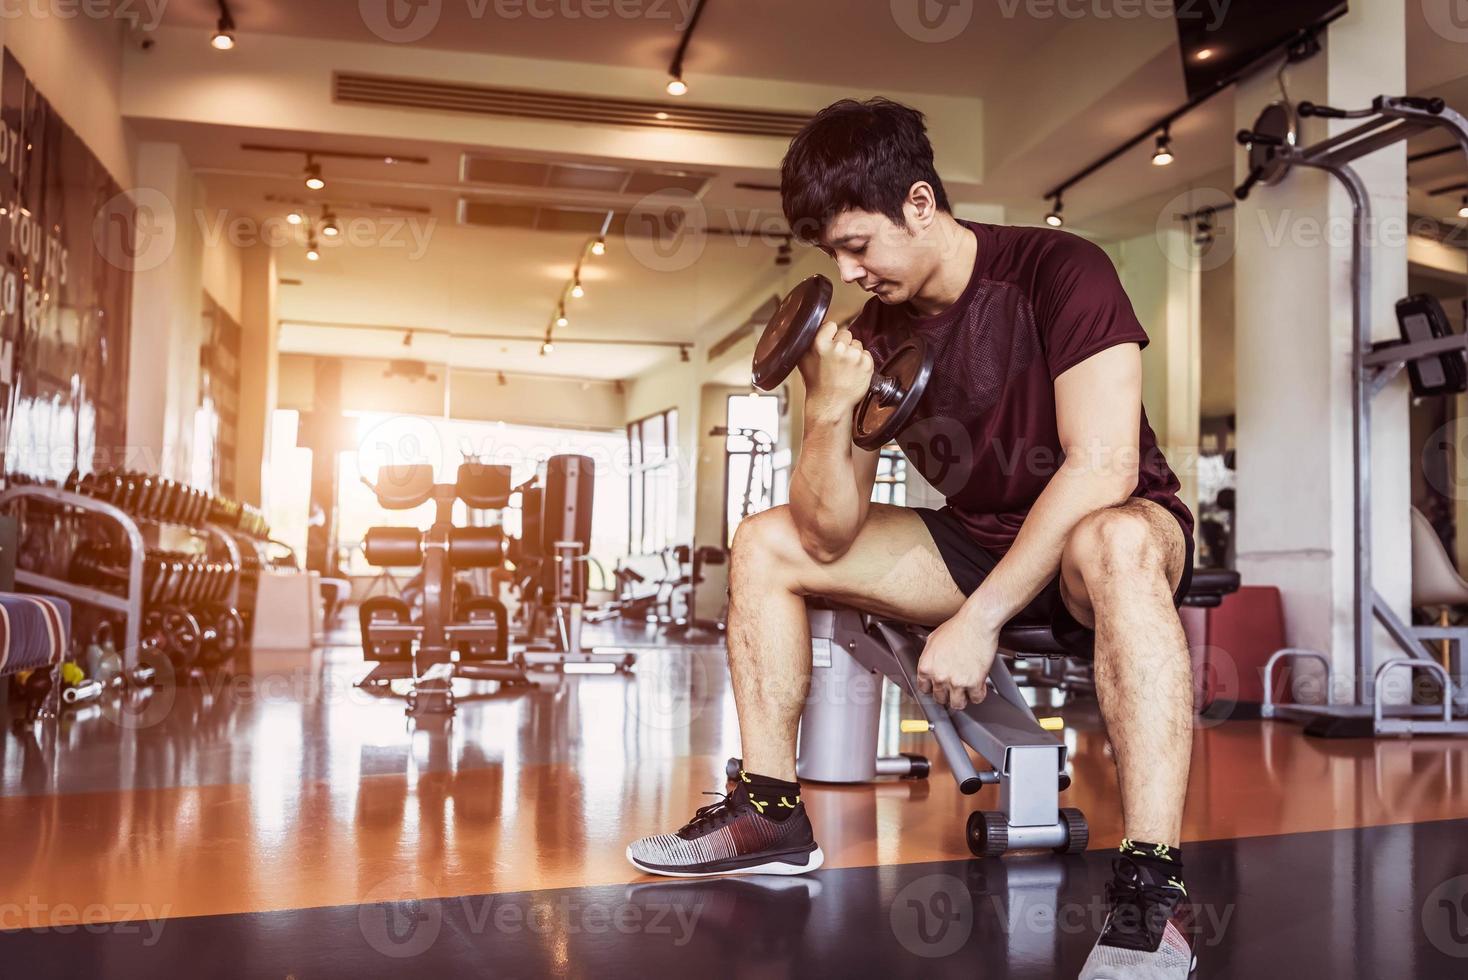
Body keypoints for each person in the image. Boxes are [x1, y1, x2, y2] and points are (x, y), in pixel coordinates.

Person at [626, 98, 1199, 979]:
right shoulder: (872, 334)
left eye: (860, 245)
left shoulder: (1060, 269)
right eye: (835, 255)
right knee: (767, 541)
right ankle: (772, 811)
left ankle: (1152, 887)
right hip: (975, 538)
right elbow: (826, 533)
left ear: (922, 204)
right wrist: (826, 406)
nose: (850, 271)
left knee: (1114, 543)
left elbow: (1103, 466)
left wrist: (978, 621)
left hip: (1104, 533)